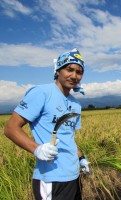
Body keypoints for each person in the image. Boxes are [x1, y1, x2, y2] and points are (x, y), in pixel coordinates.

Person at [4, 48, 90, 200]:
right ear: (58, 70)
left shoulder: (75, 104)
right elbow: (11, 128)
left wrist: (81, 158)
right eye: (69, 69)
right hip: (51, 178)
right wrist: (37, 149)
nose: (74, 76)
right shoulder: (41, 93)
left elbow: (68, 137)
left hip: (74, 176)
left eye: (79, 72)